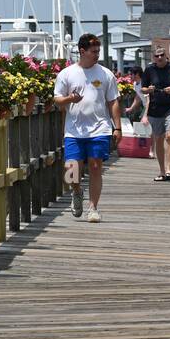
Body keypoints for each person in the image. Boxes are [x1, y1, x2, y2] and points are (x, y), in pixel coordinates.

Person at [53, 33, 121, 222]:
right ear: (82, 51)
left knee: (95, 166)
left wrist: (118, 127)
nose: (97, 54)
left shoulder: (105, 74)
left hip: (99, 128)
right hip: (74, 130)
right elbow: (57, 99)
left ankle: (93, 208)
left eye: (98, 51)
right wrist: (70, 99)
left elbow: (113, 101)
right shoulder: (66, 74)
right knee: (71, 169)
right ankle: (76, 191)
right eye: (93, 51)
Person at [141, 47, 170, 181]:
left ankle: (169, 170)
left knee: (169, 136)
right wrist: (149, 89)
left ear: (166, 56)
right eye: (156, 56)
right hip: (155, 107)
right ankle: (162, 170)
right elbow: (143, 89)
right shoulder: (149, 69)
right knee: (158, 138)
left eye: (162, 55)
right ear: (153, 58)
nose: (159, 58)